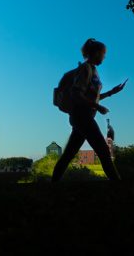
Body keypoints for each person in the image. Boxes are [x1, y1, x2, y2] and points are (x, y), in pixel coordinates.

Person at [52, 38, 126, 182]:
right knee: (104, 151)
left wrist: (112, 92)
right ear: (96, 53)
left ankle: (52, 185)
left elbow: (92, 97)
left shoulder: (93, 70)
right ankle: (119, 186)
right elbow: (76, 93)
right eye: (103, 53)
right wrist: (97, 107)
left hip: (83, 117)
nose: (104, 56)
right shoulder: (85, 68)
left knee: (68, 154)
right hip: (81, 116)